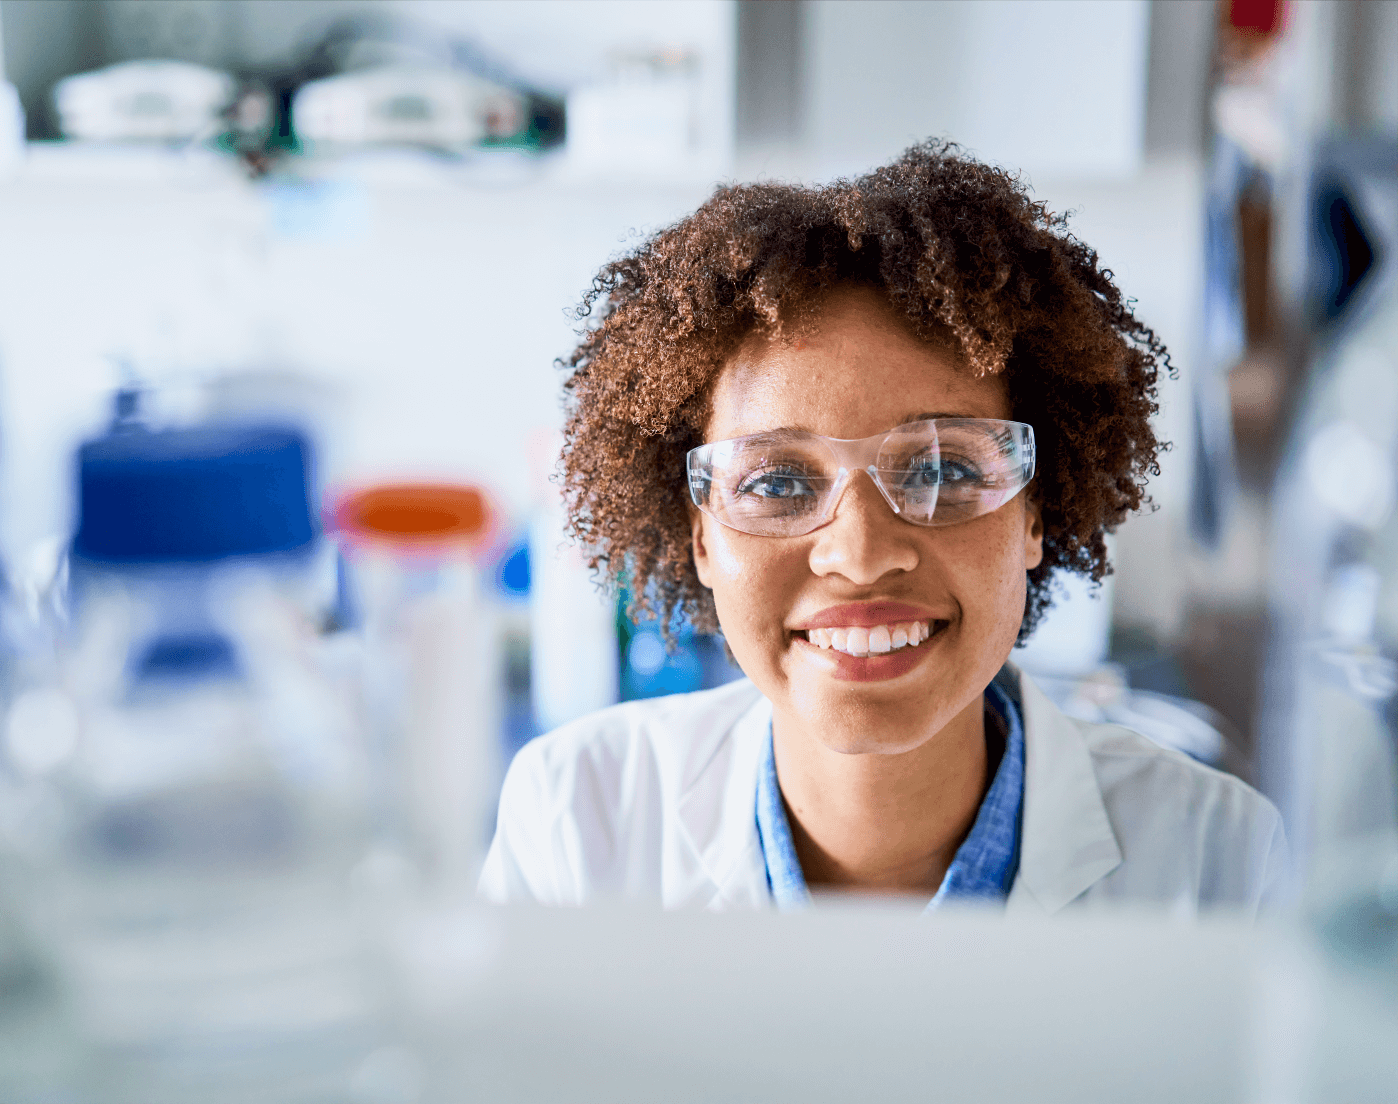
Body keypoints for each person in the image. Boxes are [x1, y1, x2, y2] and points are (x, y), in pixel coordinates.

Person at [479, 142, 1286, 916]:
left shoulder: (1219, 864)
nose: (860, 554)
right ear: (700, 536)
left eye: (942, 471)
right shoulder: (573, 825)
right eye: (779, 481)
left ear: (1034, 513)